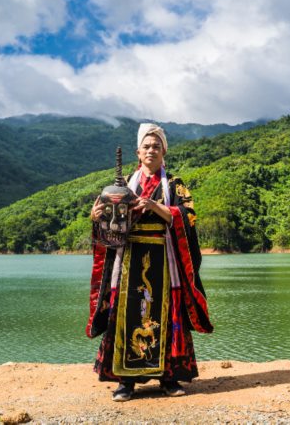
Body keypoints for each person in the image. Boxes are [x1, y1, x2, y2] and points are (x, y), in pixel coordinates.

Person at [87, 123, 213, 402]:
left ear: (164, 151)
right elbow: (109, 231)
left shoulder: (175, 184)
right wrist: (97, 217)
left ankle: (169, 379)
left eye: (156, 146)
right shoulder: (122, 185)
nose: (151, 150)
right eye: (147, 146)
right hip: (129, 259)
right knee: (126, 315)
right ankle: (126, 380)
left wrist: (157, 207)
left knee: (167, 315)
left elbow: (189, 217)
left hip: (165, 261)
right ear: (138, 152)